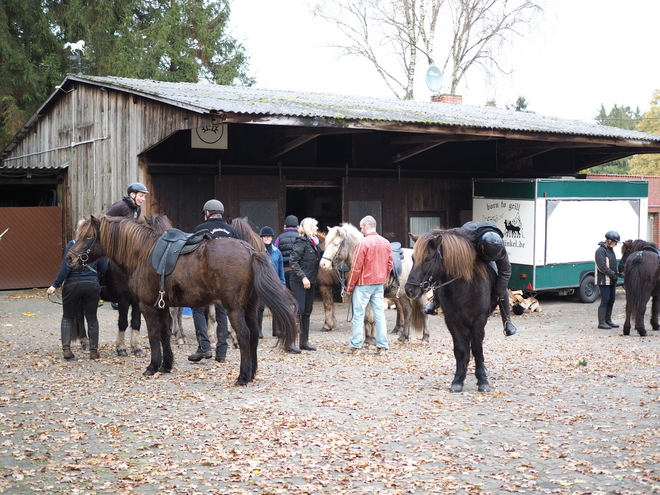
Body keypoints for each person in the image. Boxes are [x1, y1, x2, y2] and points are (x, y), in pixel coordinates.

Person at [423, 221, 517, 337]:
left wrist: (498, 293)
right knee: (444, 269)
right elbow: (445, 236)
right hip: (470, 249)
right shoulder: (464, 234)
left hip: (489, 254)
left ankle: (507, 321)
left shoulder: (499, 246)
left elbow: (506, 271)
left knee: (501, 281)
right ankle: (435, 301)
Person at [188, 200, 238, 363]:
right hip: (226, 279)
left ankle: (204, 347)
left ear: (207, 213)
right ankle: (222, 352)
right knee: (222, 311)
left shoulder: (200, 229)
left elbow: (192, 256)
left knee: (197, 308)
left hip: (204, 279)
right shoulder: (231, 230)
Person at [47, 238, 106, 360]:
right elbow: (104, 266)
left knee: (68, 317)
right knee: (92, 318)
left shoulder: (73, 244)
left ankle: (67, 350)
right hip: (91, 285)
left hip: (72, 285)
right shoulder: (96, 245)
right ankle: (93, 351)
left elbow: (66, 266)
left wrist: (55, 285)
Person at [346, 215, 393, 355]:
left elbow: (356, 266)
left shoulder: (363, 243)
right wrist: (383, 276)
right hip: (379, 283)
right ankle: (382, 346)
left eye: (361, 227)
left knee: (358, 315)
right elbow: (390, 264)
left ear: (366, 226)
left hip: (363, 284)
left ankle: (355, 346)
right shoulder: (386, 242)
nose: (361, 230)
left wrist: (350, 286)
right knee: (379, 314)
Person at [288, 217, 323, 352]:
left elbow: (321, 257)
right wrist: (303, 277)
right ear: (309, 227)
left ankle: (304, 342)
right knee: (298, 311)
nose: (317, 228)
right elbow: (293, 262)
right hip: (299, 281)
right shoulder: (301, 242)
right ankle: (290, 343)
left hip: (311, 281)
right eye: (315, 226)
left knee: (307, 311)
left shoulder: (315, 244)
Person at [258, 226, 286, 337]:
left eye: (269, 236)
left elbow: (280, 269)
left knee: (276, 306)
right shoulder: (259, 251)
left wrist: (282, 283)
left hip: (274, 282)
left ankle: (276, 330)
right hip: (262, 282)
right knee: (260, 307)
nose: (268, 238)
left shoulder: (277, 252)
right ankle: (259, 330)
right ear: (261, 238)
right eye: (265, 237)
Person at [595, 230, 621, 329]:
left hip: (611, 280)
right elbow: (602, 266)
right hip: (603, 280)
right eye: (615, 242)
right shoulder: (600, 251)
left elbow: (612, 264)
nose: (616, 244)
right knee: (605, 299)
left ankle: (608, 320)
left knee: (611, 299)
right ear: (609, 240)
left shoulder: (610, 250)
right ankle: (601, 322)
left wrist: (617, 273)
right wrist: (612, 274)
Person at [274, 215, 299, 289]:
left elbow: (275, 252)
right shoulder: (301, 237)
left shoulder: (280, 237)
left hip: (284, 269)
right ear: (297, 226)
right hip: (297, 270)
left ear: (285, 226)